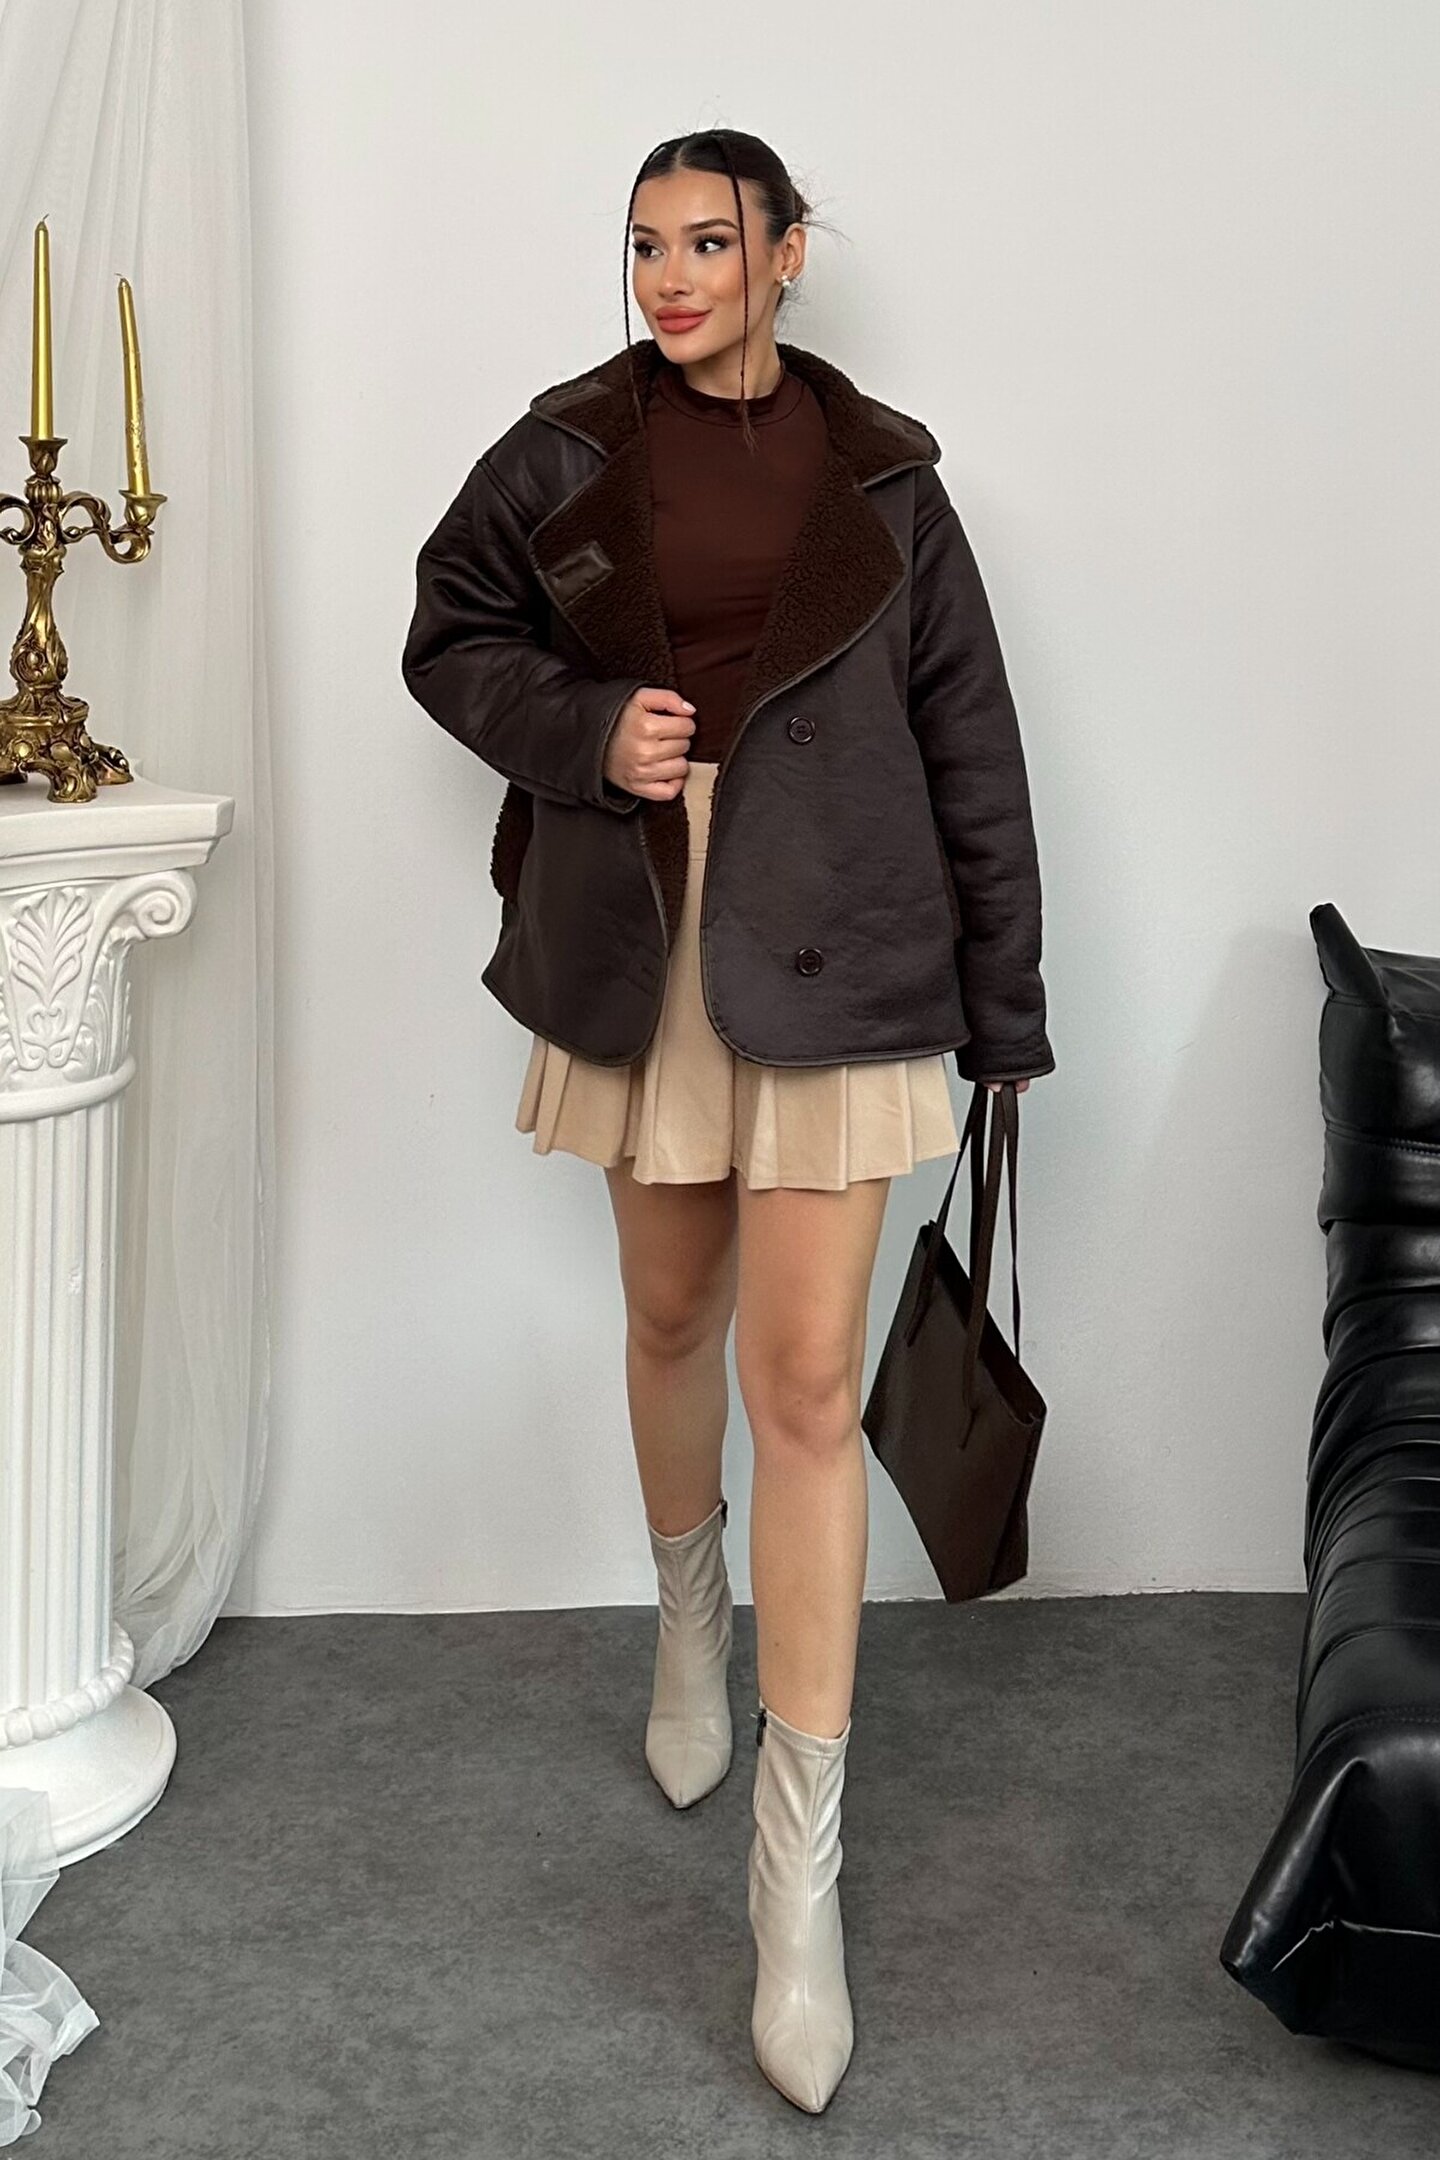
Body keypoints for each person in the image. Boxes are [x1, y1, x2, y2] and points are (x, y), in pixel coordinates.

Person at [401, 125, 1054, 2115]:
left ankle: (798, 1880)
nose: (671, 277)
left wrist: (1005, 1013)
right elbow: (450, 632)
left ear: (787, 254)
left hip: (843, 951)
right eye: (644, 245)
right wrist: (589, 730)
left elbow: (971, 741)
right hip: (647, 938)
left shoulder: (890, 481)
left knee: (807, 1386)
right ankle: (691, 1625)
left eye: (707, 241)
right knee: (673, 1318)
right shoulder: (564, 451)